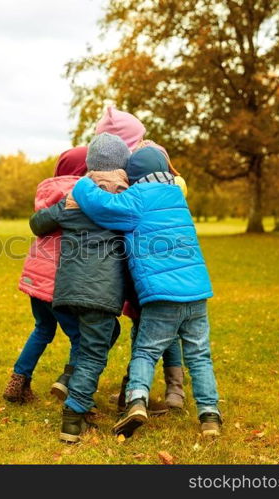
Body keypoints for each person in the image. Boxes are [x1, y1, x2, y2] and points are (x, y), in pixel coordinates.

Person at [71, 146, 222, 437]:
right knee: (200, 355)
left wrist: (82, 184)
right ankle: (210, 415)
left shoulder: (135, 199)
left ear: (134, 175)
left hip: (163, 294)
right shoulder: (177, 197)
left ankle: (136, 400)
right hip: (197, 293)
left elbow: (101, 205)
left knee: (145, 350)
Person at [29, 133, 130, 443]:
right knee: (94, 354)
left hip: (68, 290)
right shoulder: (124, 200)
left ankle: (71, 377)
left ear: (90, 165)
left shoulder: (75, 197)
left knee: (106, 334)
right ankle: (74, 415)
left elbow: (37, 223)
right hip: (99, 293)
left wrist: (58, 206)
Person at [95, 106, 187, 413]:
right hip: (162, 261)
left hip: (135, 261)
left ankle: (137, 393)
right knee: (157, 323)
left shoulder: (124, 174)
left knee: (148, 326)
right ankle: (162, 390)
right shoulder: (152, 164)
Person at [2, 147, 87, 404]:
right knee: (80, 336)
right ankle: (69, 383)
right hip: (58, 282)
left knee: (42, 328)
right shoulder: (82, 194)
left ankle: (18, 380)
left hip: (35, 278)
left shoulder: (47, 193)